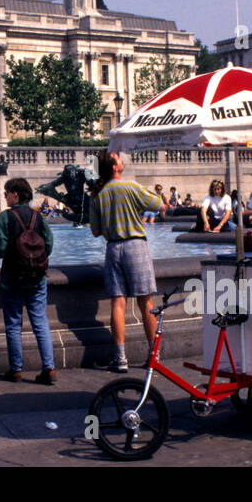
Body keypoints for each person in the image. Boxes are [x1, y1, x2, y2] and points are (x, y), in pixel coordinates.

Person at [88, 151, 162, 373]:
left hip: (113, 249)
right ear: (114, 167)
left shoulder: (97, 195)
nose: (122, 161)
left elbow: (95, 231)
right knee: (146, 303)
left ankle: (120, 358)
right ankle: (154, 356)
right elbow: (159, 205)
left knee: (117, 304)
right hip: (136, 246)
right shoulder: (131, 187)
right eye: (119, 159)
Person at [0, 177, 55, 384]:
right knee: (40, 322)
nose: (5, 197)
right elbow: (49, 245)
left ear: (15, 194)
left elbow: (0, 251)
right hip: (37, 278)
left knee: (13, 325)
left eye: (6, 193)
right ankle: (49, 368)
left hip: (12, 279)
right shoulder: (39, 217)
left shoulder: (3, 218)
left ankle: (16, 369)